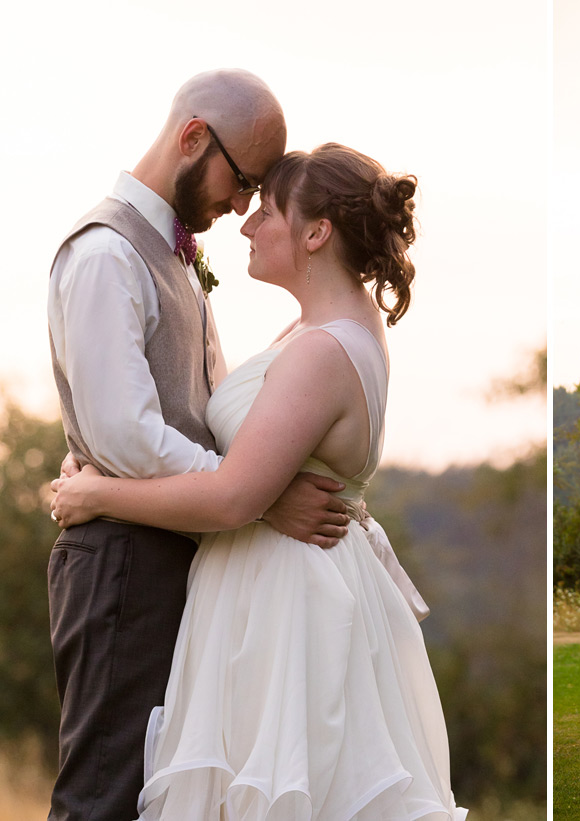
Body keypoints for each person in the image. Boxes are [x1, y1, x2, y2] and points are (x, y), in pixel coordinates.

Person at [51, 142, 465, 818]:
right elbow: (245, 462)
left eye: (267, 210)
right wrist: (103, 455)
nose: (247, 222)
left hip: (285, 599)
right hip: (263, 584)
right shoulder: (317, 327)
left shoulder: (324, 350)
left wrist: (93, 493)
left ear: (316, 231)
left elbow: (234, 494)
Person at [45, 69, 350, 821]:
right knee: (103, 797)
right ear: (192, 139)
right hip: (121, 563)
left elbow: (201, 411)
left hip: (171, 549)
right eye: (243, 179)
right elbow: (125, 435)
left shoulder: (173, 257)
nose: (245, 205)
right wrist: (255, 494)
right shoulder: (106, 254)